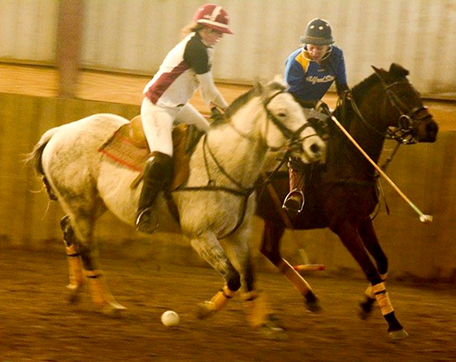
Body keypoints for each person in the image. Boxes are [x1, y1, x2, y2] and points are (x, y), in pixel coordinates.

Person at [136, 4, 233, 233]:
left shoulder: (205, 47)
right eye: (216, 32)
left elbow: (202, 85)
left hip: (178, 106)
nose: (219, 37)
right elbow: (209, 89)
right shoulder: (195, 48)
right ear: (205, 29)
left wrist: (214, 108)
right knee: (162, 157)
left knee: (210, 137)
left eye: (221, 33)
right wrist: (229, 112)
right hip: (158, 105)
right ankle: (143, 210)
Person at [282, 18, 349, 213]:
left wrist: (348, 103)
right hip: (293, 106)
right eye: (311, 47)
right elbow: (292, 95)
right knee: (305, 136)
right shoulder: (296, 61)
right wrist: (317, 104)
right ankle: (295, 191)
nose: (315, 52)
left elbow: (342, 87)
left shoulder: (337, 56)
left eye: (320, 47)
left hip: (316, 107)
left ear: (328, 46)